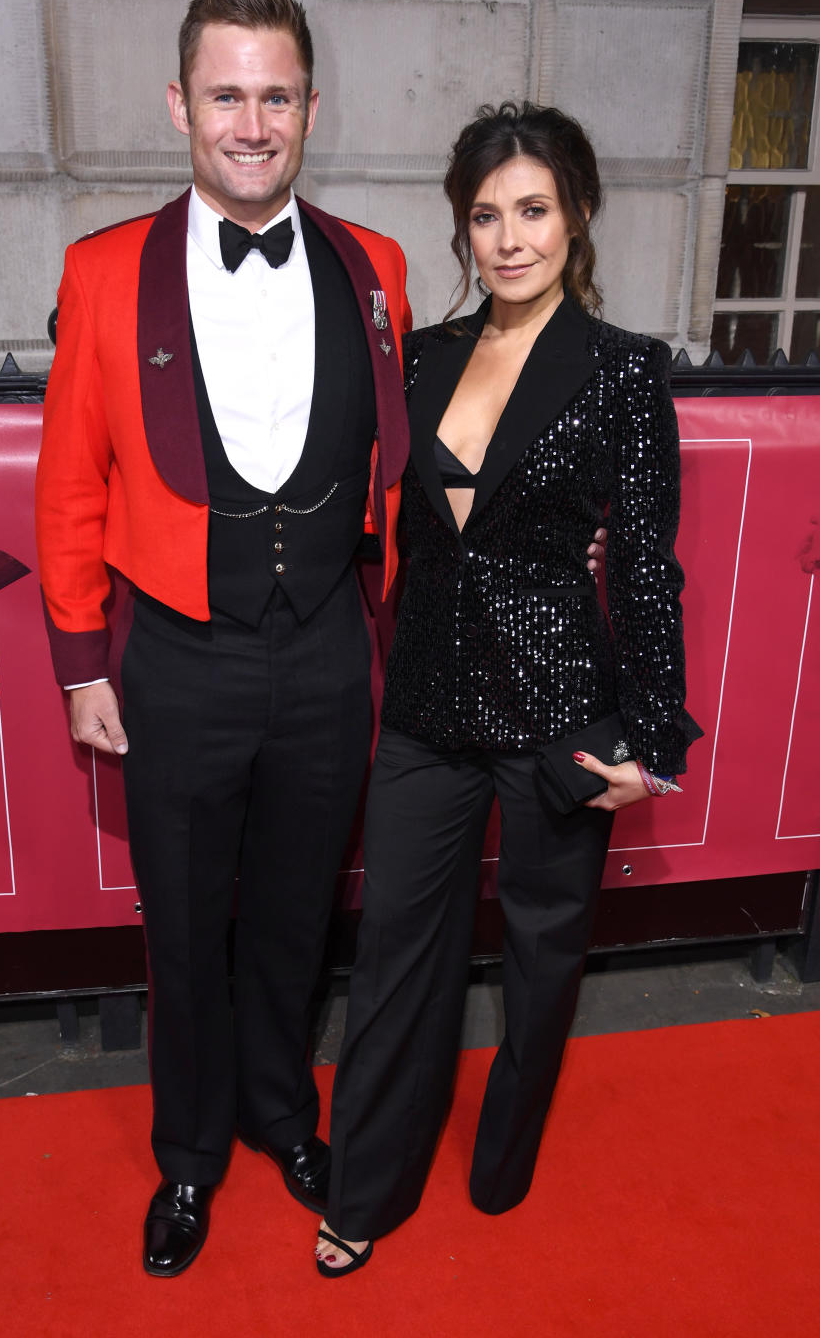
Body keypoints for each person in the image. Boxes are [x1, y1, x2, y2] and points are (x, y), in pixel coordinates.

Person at [34, 0, 415, 1276]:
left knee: (302, 912)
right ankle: (187, 1158)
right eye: (226, 94)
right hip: (176, 658)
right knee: (186, 925)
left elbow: (399, 466)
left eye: (276, 94)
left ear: (312, 105)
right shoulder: (102, 272)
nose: (251, 122)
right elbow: (71, 481)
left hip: (324, 647)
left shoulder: (379, 267)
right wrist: (83, 659)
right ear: (180, 105)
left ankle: (278, 1110)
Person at [314, 101, 702, 1276]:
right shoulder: (422, 358)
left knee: (541, 956)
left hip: (556, 715)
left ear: (576, 215)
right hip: (428, 710)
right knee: (395, 955)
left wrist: (656, 735)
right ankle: (370, 1180)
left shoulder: (625, 371)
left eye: (532, 209)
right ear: (462, 231)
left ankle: (505, 1153)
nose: (510, 237)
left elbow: (645, 564)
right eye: (486, 215)